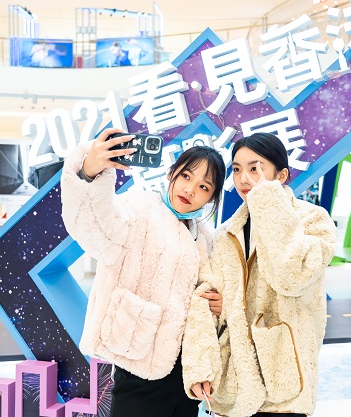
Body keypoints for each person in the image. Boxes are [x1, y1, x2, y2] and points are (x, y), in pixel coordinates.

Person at [60, 128, 226, 417]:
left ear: (211, 197)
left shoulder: (205, 236)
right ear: (171, 174)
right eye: (186, 176)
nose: (190, 190)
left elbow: (209, 292)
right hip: (139, 360)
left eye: (203, 186)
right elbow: (94, 226)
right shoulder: (139, 208)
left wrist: (220, 305)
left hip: (186, 370)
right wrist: (88, 172)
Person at [182, 133, 337, 417]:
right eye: (237, 169)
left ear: (281, 175)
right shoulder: (226, 233)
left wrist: (268, 202)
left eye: (255, 168)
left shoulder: (313, 220)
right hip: (235, 381)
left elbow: (290, 277)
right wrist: (200, 367)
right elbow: (205, 300)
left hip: (285, 377)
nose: (244, 179)